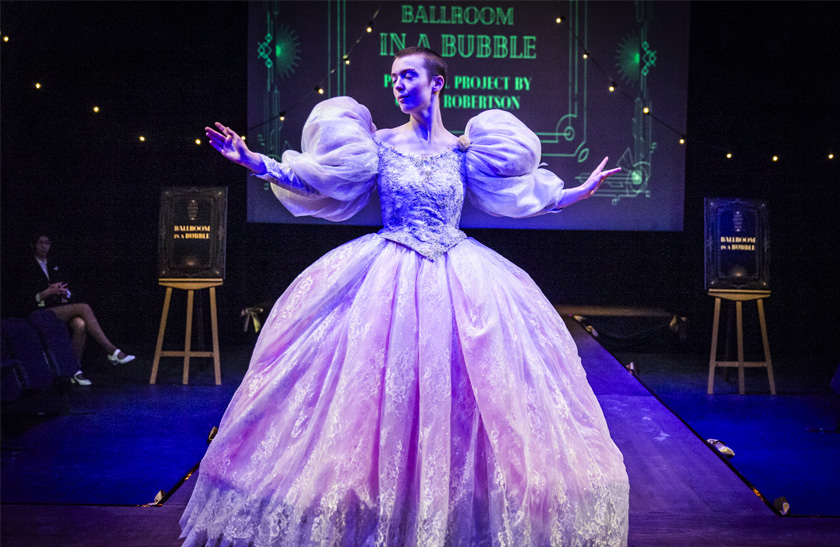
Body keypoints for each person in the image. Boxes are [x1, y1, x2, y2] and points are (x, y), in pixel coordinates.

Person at [181, 47, 629, 546]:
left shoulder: (467, 150)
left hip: (460, 278)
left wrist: (577, 193)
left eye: (408, 76)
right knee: (375, 397)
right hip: (388, 276)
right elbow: (314, 177)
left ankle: (450, 515)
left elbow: (522, 197)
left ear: (437, 84)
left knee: (465, 399)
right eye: (393, 77)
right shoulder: (374, 145)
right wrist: (255, 162)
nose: (397, 85)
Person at [17, 231, 135, 385]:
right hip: (38, 312)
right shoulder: (27, 267)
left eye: (47, 243)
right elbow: (24, 297)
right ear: (33, 245)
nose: (44, 246)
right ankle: (111, 350)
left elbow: (67, 285)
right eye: (40, 243)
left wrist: (64, 293)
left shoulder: (54, 263)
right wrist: (47, 292)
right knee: (84, 308)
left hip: (58, 307)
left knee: (80, 324)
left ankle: (74, 370)